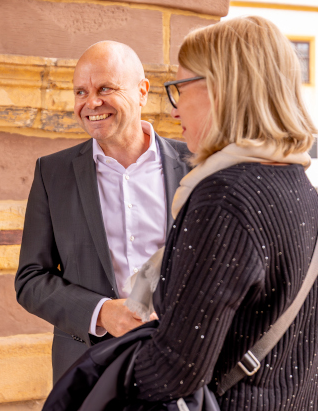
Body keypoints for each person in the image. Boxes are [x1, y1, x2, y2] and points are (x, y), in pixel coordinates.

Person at [131, 16, 318, 411]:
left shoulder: (225, 196)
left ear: (220, 88)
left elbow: (179, 368)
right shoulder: (302, 189)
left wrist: (105, 382)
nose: (174, 110)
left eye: (179, 88)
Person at [15, 41, 191, 382]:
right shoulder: (53, 173)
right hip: (87, 369)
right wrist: (101, 312)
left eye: (105, 89)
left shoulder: (194, 165)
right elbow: (30, 280)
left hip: (180, 363)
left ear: (142, 92)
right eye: (81, 92)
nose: (91, 103)